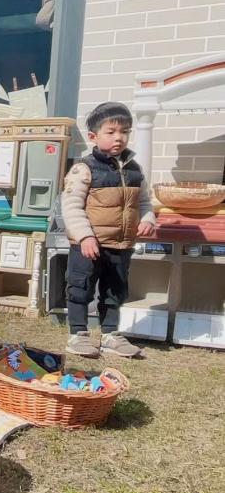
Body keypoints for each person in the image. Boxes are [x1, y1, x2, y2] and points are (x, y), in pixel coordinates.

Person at [62, 102, 156, 358]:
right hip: (88, 244)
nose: (119, 137)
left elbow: (144, 201)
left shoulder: (135, 170)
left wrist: (148, 219)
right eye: (111, 132)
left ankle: (110, 335)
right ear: (93, 136)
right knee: (80, 288)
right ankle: (78, 335)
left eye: (124, 131)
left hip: (120, 244)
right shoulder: (84, 168)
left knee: (115, 290)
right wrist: (85, 236)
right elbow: (71, 206)